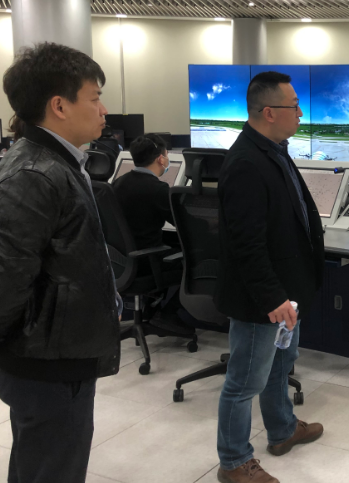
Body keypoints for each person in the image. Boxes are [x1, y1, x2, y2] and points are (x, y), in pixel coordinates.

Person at [0, 42, 122, 482]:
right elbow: (4, 279)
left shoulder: (58, 163)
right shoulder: (35, 174)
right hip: (46, 365)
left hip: (56, 354)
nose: (103, 109)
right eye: (95, 97)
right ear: (59, 106)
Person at [214, 71, 325, 483]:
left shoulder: (274, 150)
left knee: (281, 365)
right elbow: (246, 245)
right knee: (244, 381)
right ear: (268, 112)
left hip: (286, 291)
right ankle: (233, 461)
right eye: (294, 106)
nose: (300, 113)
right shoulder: (246, 163)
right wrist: (272, 297)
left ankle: (282, 430)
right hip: (262, 300)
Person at [113, 133, 191, 334]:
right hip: (146, 263)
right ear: (161, 159)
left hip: (119, 262)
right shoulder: (157, 189)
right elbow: (184, 224)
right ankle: (167, 313)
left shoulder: (118, 183)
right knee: (193, 261)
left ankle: (153, 311)